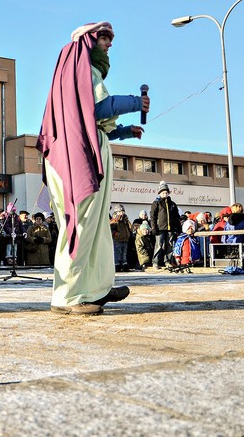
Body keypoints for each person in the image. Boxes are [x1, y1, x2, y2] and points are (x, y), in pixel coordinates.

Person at [36, 22, 148, 315]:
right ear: (88, 41)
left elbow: (89, 120)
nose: (109, 44)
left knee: (85, 226)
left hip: (70, 154)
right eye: (104, 38)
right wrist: (136, 102)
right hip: (80, 157)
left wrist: (124, 131)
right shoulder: (85, 70)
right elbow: (97, 109)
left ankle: (86, 288)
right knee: (84, 225)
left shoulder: (68, 75)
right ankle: (78, 295)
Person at [150, 181, 182, 269]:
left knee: (170, 245)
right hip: (160, 228)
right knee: (159, 245)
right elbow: (153, 216)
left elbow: (176, 217)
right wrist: (154, 227)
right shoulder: (156, 203)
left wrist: (178, 228)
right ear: (160, 193)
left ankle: (168, 261)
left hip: (170, 228)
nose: (165, 194)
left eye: (166, 192)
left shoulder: (172, 204)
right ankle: (155, 262)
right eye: (163, 192)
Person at [110, 204, 132, 272]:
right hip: (118, 239)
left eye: (122, 211)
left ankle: (124, 264)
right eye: (120, 211)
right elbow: (111, 229)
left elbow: (128, 227)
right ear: (116, 212)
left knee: (124, 253)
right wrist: (116, 233)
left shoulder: (125, 219)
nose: (122, 213)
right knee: (117, 252)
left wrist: (129, 234)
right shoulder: (114, 220)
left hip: (125, 239)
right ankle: (117, 265)